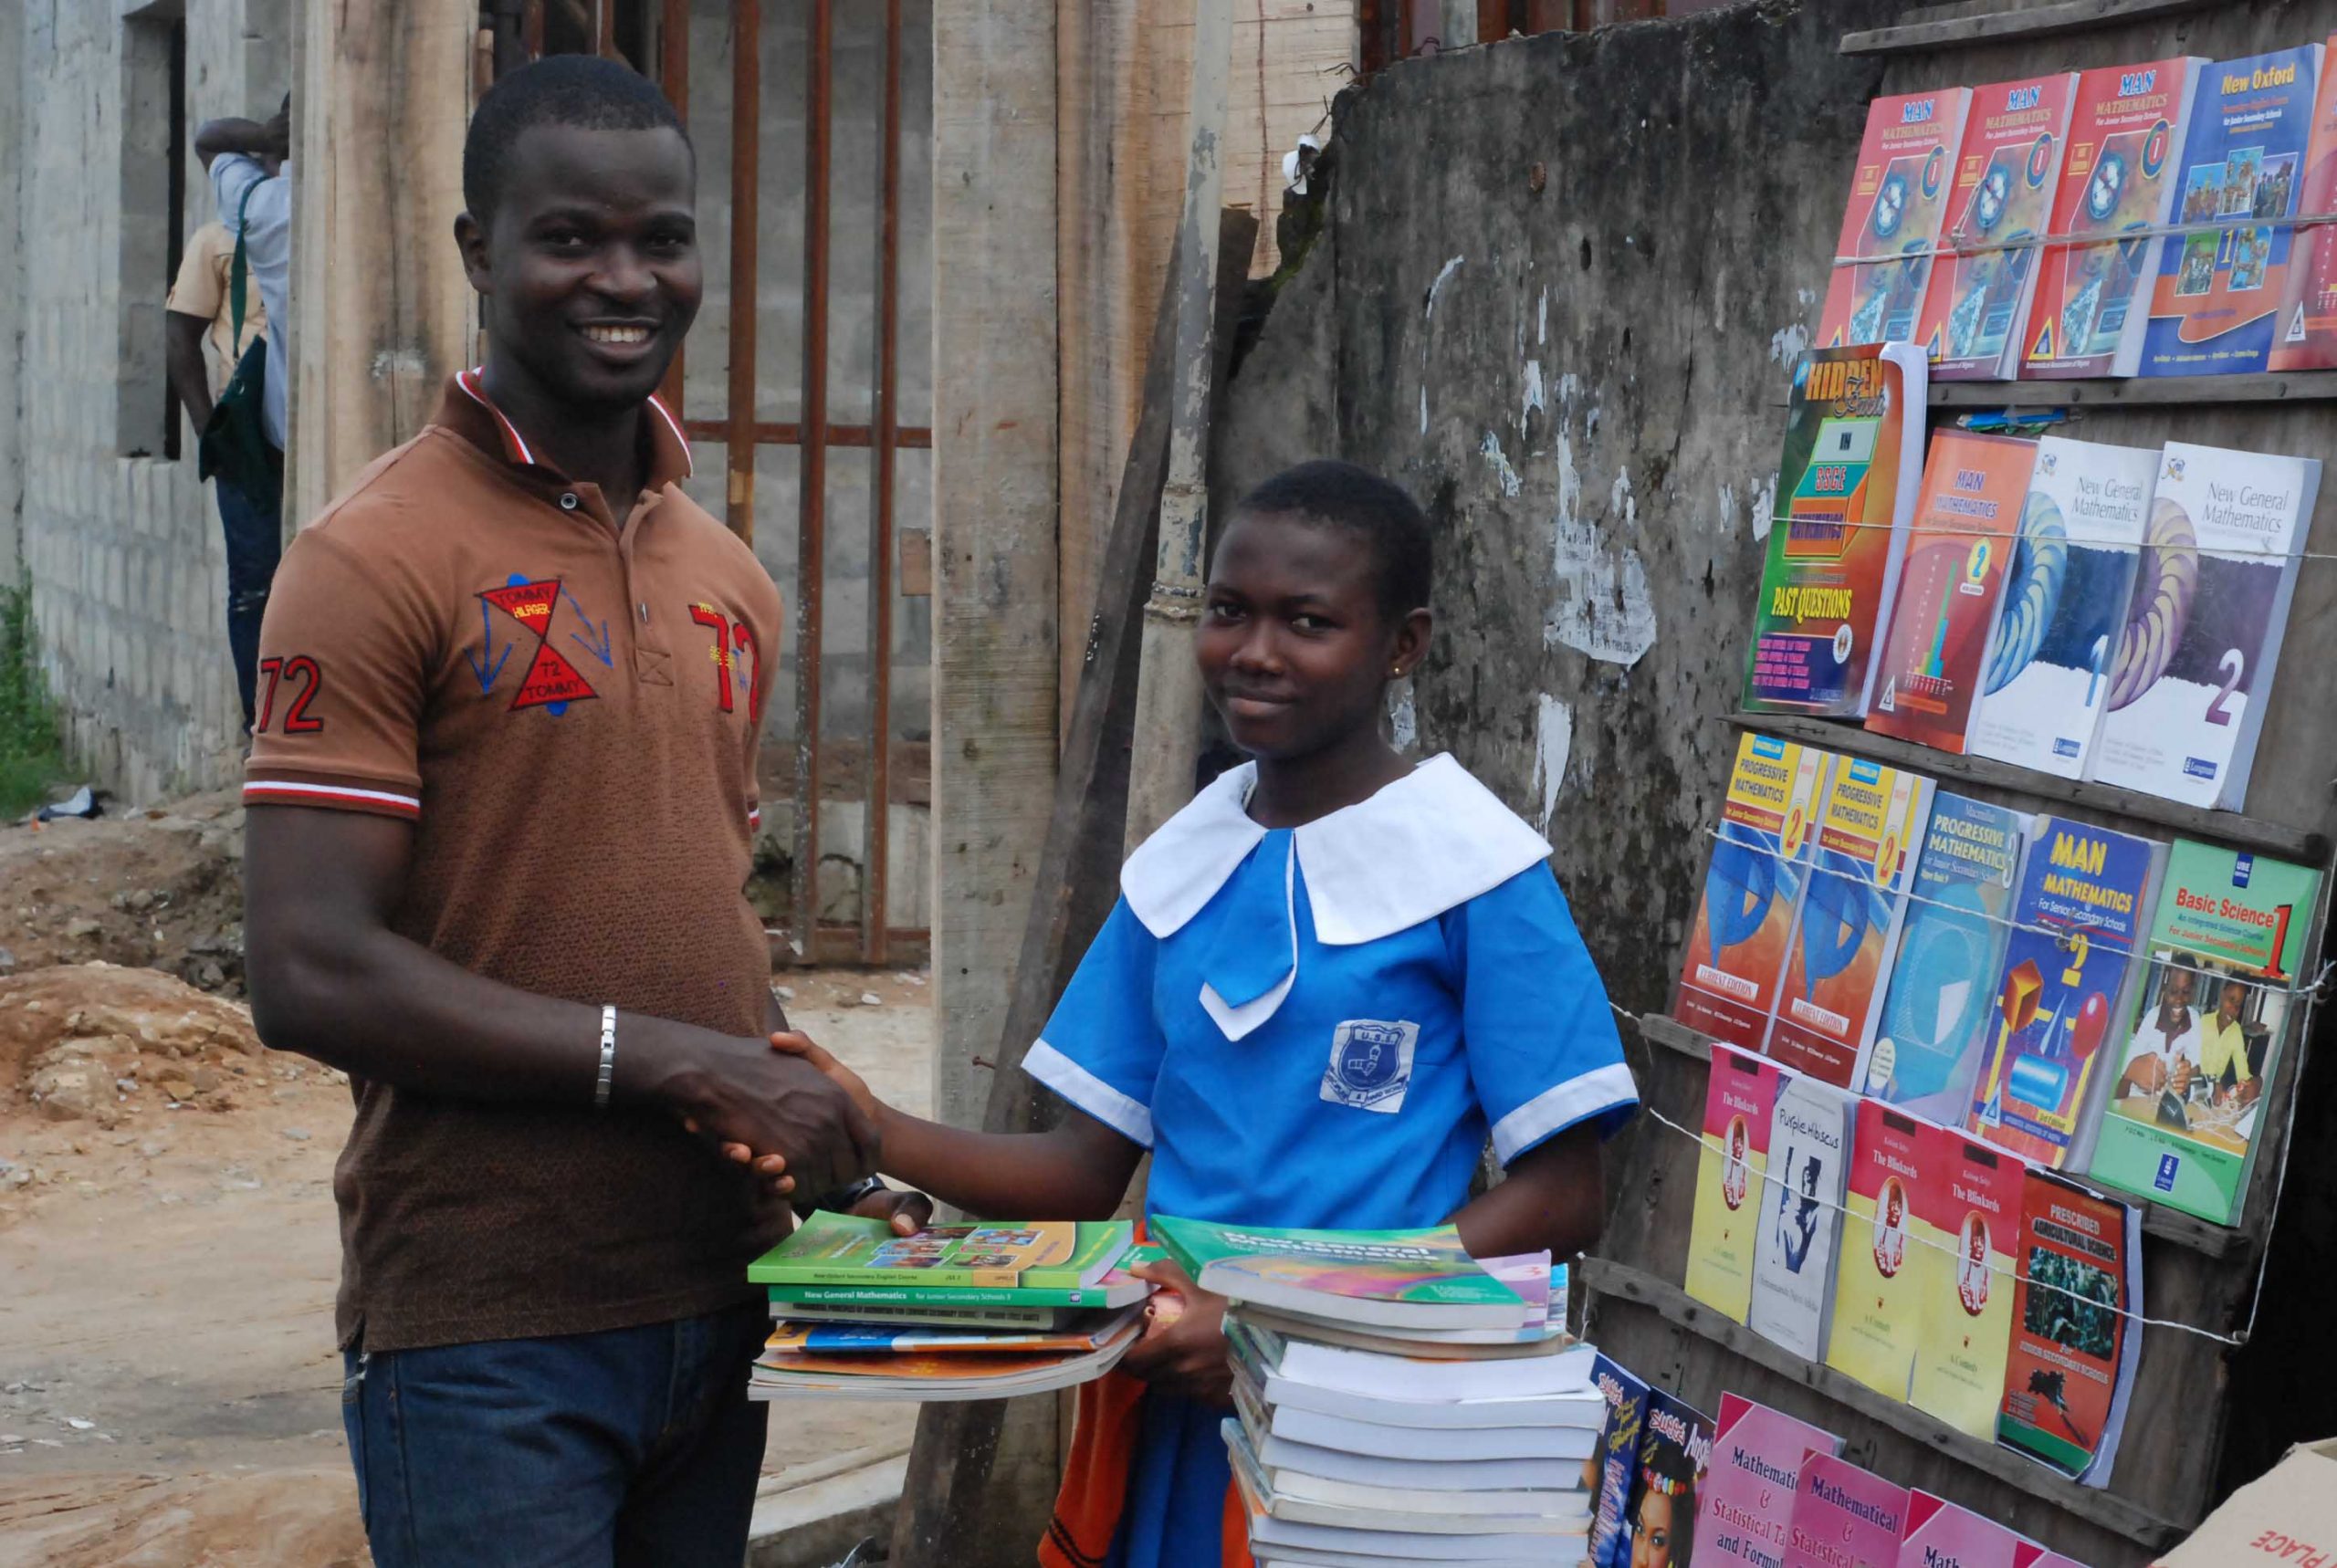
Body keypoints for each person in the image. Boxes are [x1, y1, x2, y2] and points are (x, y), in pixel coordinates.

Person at [236, 57, 921, 1568]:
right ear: (480, 252)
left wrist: (831, 1152)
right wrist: (677, 1060)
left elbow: (690, 913)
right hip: (488, 1334)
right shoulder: (367, 559)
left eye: (661, 239)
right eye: (570, 240)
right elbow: (308, 967)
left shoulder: (729, 577)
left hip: (719, 1302)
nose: (625, 280)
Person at [754, 459, 1639, 1566]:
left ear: (1402, 644)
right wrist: (870, 1123)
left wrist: (1287, 1320)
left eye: (1308, 621)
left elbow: (1563, 1194)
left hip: (1368, 1409)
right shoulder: (1183, 864)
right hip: (1175, 1391)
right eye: (1229, 610)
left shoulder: (1475, 869)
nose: (1255, 651)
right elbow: (1082, 1167)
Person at [192, 99, 293, 734]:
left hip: (276, 428)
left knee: (270, 587)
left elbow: (210, 140)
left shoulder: (262, 210)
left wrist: (266, 136)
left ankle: (274, 731)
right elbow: (180, 335)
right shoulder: (221, 238)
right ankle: (266, 726)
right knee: (258, 586)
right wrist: (211, 430)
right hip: (257, 435)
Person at [2196, 975, 2260, 1106]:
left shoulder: (2236, 1032)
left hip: (2212, 1100)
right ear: (2222, 994)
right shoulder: (2202, 1022)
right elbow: (2189, 1066)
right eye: (2231, 1000)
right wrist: (2210, 1085)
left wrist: (2251, 1084)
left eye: (2238, 1005)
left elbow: (2242, 1072)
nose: (2234, 1009)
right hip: (2193, 1090)